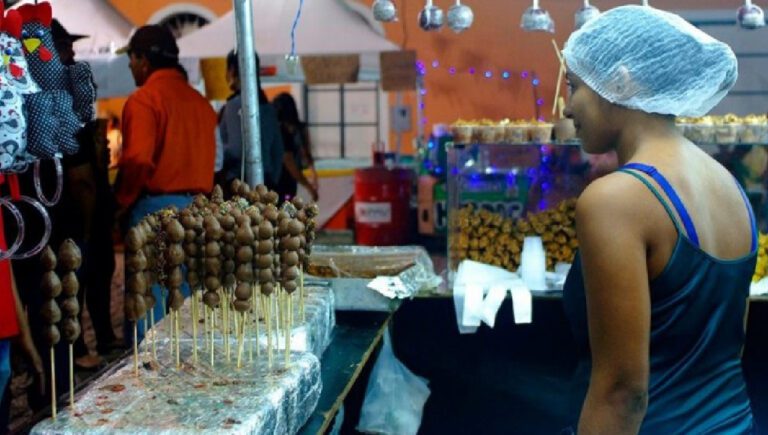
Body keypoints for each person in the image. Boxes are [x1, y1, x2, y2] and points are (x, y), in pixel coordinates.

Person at [561, 6, 754, 433]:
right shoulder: (729, 187)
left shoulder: (615, 200)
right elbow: (729, 345)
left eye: (573, 86)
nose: (567, 107)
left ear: (621, 81)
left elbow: (623, 393)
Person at [115, 25, 217, 340]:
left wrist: (120, 202)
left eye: (131, 59)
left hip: (156, 213)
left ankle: (151, 379)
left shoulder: (144, 101)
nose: (130, 67)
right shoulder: (200, 103)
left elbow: (138, 160)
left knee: (153, 306)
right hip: (198, 211)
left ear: (143, 59)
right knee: (187, 301)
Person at [216, 50, 284, 192]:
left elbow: (235, 150)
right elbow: (278, 150)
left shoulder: (234, 106)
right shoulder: (268, 107)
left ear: (232, 70)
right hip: (267, 181)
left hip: (238, 184)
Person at [273, 92, 319, 201]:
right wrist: (312, 180)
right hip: (289, 182)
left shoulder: (277, 130)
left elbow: (290, 160)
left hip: (278, 180)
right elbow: (305, 153)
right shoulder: (299, 128)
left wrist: (310, 184)